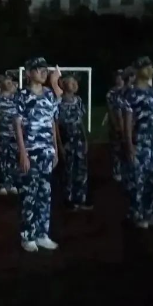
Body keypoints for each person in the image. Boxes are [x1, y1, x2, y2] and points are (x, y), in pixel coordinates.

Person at [14, 57, 62, 253]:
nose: (43, 73)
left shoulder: (49, 94)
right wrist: (23, 153)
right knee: (29, 196)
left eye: (44, 70)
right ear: (28, 73)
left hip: (46, 152)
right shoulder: (22, 95)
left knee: (45, 194)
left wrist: (55, 149)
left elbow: (52, 123)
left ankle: (42, 234)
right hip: (31, 152)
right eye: (38, 69)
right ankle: (28, 235)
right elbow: (17, 125)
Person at [123, 56, 153, 229]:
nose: (151, 70)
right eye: (147, 67)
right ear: (139, 70)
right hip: (139, 143)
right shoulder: (131, 94)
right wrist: (129, 145)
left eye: (151, 67)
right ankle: (136, 215)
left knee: (152, 181)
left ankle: (149, 214)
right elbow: (128, 121)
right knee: (137, 181)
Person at [57, 74, 90, 211]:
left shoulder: (78, 101)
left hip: (79, 141)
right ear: (63, 85)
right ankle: (68, 199)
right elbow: (56, 126)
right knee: (68, 171)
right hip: (67, 141)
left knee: (81, 170)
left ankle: (81, 198)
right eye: (71, 82)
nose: (75, 84)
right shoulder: (58, 103)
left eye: (75, 82)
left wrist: (85, 139)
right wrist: (59, 145)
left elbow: (80, 122)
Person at [106, 70, 125, 183]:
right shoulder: (111, 93)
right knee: (116, 148)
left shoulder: (128, 90)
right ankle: (116, 171)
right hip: (116, 125)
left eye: (121, 77)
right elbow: (110, 110)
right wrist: (115, 125)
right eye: (118, 77)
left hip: (127, 124)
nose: (120, 79)